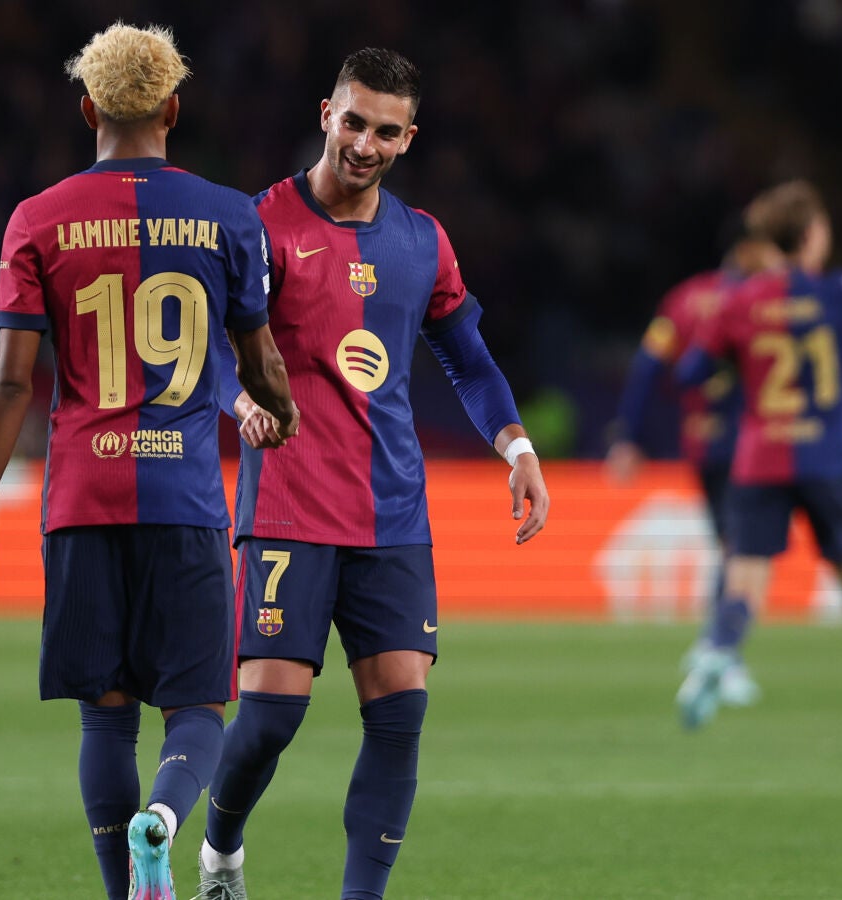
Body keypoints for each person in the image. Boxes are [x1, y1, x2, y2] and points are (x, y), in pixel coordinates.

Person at [0, 23, 299, 900]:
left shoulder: (36, 220)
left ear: (87, 110)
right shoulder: (229, 215)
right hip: (185, 501)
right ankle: (165, 822)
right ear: (173, 109)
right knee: (198, 710)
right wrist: (281, 409)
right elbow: (257, 359)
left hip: (81, 500)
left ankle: (126, 891)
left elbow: (9, 382)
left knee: (104, 723)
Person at [198, 48, 550, 900]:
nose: (364, 144)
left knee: (399, 714)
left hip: (392, 510)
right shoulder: (260, 225)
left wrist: (518, 449)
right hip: (287, 504)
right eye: (353, 122)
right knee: (270, 720)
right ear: (326, 113)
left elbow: (468, 358)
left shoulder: (422, 241)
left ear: (408, 138)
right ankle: (220, 853)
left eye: (386, 132)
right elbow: (204, 341)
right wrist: (237, 402)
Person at [674, 178, 842, 748]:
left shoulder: (739, 301)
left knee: (743, 585)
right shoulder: (841, 291)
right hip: (830, 459)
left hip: (759, 459)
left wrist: (734, 356)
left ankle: (719, 652)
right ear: (811, 235)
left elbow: (691, 372)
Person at [607, 228, 786, 707]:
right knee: (743, 550)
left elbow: (647, 366)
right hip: (751, 442)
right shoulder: (762, 301)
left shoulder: (683, 299)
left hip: (701, 442)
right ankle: (721, 652)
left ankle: (718, 647)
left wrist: (627, 435)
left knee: (731, 545)